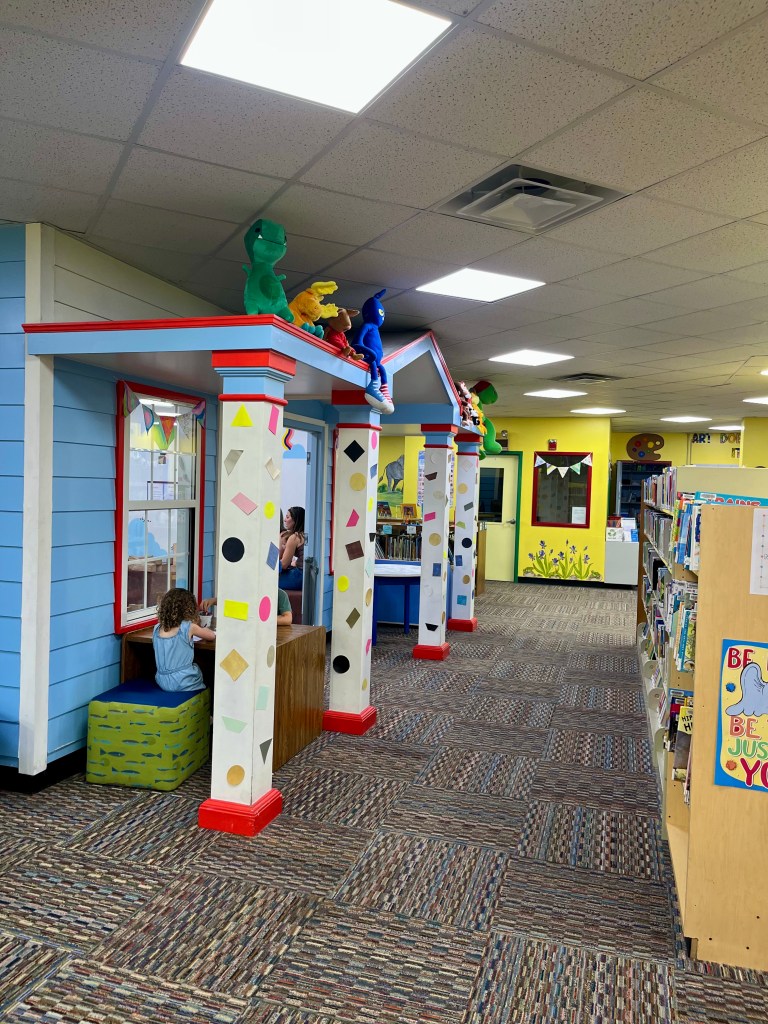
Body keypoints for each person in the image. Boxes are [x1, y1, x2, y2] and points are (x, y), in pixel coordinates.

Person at [153, 588, 216, 693]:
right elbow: (211, 636)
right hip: (183, 682)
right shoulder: (188, 627)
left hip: (162, 681)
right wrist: (202, 628)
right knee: (208, 673)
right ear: (188, 609)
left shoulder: (157, 628)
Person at [200, 590, 292, 626]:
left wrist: (259, 619)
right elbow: (234, 605)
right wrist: (213, 601)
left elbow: (288, 618)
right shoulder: (249, 591)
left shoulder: (280, 594)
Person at [279, 506, 305, 591]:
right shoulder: (304, 535)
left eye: (287, 517)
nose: (284, 520)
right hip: (305, 576)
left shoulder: (294, 537)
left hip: (299, 577)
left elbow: (283, 565)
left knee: (268, 580)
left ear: (295, 520)